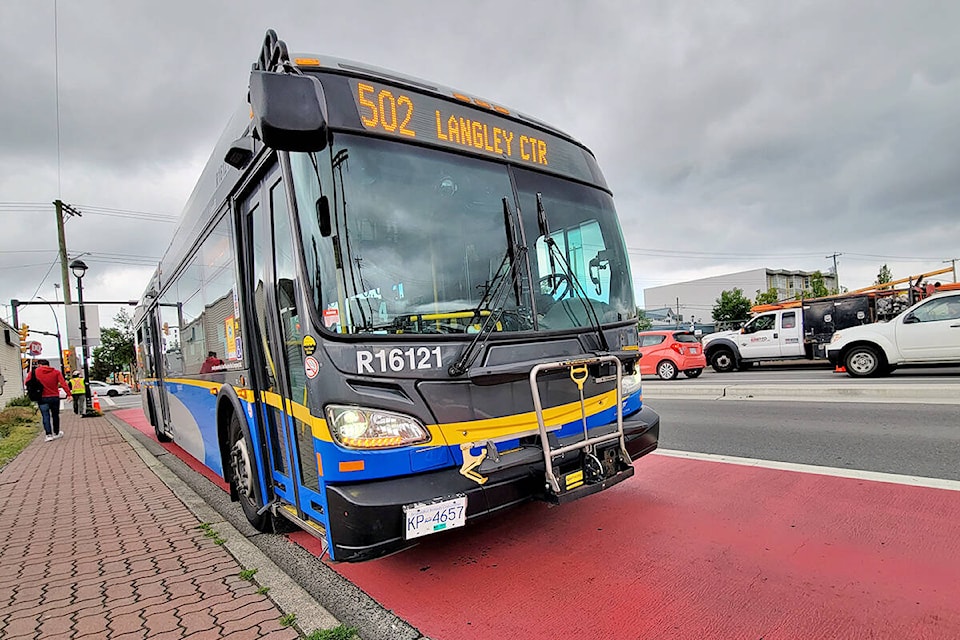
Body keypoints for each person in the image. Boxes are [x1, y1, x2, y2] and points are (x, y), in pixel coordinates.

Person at [25, 359, 72, 442]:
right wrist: (68, 394)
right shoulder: (56, 372)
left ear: (40, 365)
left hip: (42, 397)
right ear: (48, 365)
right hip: (54, 397)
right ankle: (56, 433)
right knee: (55, 415)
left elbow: (27, 382)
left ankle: (48, 435)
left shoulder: (34, 372)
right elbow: (63, 383)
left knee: (45, 416)